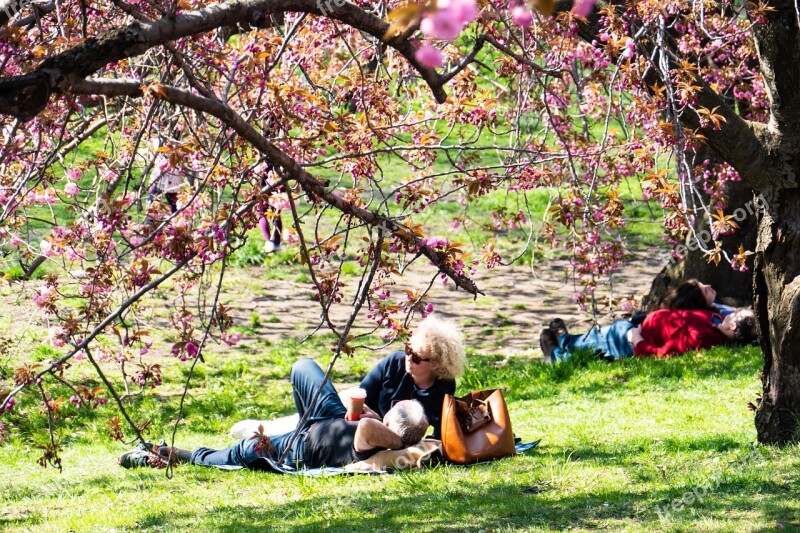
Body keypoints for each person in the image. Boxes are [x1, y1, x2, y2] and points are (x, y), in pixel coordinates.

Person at [120, 358, 429, 470]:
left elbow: (365, 432)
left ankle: (168, 453)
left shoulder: (376, 439)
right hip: (326, 422)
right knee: (304, 367)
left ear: (391, 426)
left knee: (238, 452)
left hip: (300, 448)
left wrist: (388, 433)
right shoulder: (375, 430)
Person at [359, 315, 465, 439]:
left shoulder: (443, 386)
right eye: (408, 350)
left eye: (416, 358)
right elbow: (361, 396)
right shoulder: (393, 363)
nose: (408, 358)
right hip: (366, 430)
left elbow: (442, 432)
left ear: (435, 364)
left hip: (399, 442)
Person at [540, 307, 758, 363]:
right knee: (593, 337)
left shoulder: (701, 338)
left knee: (595, 341)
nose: (732, 311)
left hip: (630, 339)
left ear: (733, 328)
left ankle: (556, 353)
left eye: (736, 314)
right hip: (640, 324)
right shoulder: (717, 323)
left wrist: (637, 340)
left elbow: (662, 354)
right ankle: (565, 341)